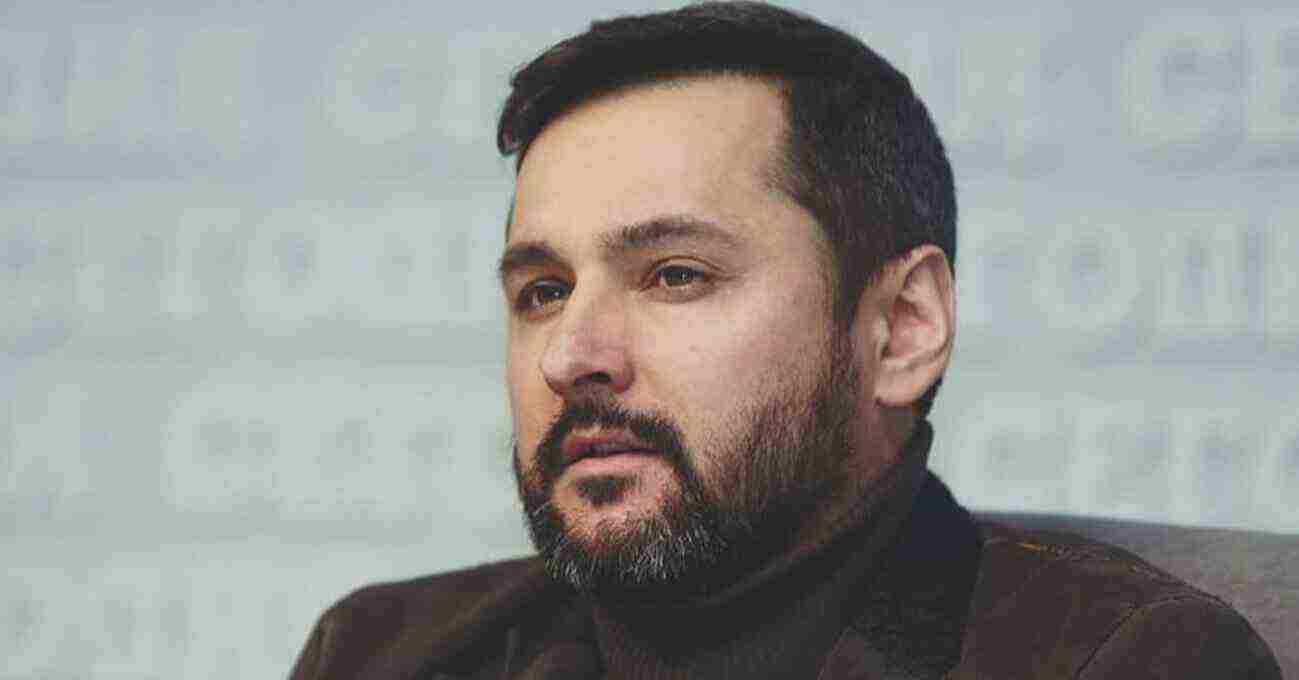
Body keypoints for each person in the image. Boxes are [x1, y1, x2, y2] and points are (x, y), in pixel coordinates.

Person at [289, 3, 1282, 678]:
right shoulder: (378, 652)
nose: (569, 355)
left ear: (903, 328)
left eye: (676, 273)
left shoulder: (1124, 659)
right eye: (543, 291)